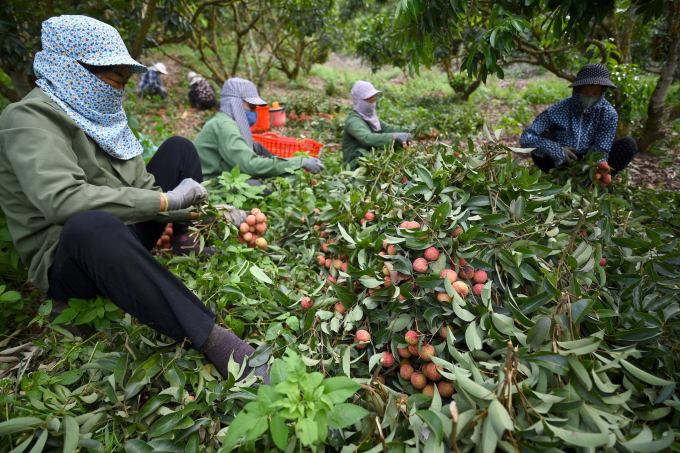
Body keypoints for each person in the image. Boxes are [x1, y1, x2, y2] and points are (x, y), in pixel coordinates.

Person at [0, 15, 268, 384]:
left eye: (124, 84)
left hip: (122, 232)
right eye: (115, 81)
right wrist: (164, 202)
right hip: (72, 258)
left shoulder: (103, 115)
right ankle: (218, 343)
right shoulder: (28, 119)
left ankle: (185, 245)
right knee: (91, 225)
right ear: (76, 70)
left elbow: (145, 189)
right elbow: (62, 201)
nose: (120, 93)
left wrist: (211, 213)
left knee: (179, 150)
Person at [193, 77, 324, 185]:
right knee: (256, 186)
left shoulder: (221, 121)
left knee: (256, 156)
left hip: (215, 177)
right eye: (251, 107)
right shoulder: (225, 126)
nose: (254, 112)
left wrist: (283, 165)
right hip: (208, 186)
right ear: (234, 103)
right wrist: (299, 162)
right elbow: (250, 166)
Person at [520, 63, 637, 182]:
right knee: (544, 136)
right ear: (577, 90)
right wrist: (555, 149)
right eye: (585, 92)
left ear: (602, 93)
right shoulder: (558, 110)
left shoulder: (608, 113)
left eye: (595, 93)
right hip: (560, 160)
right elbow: (526, 137)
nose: (590, 97)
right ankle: (557, 178)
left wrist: (594, 168)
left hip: (589, 162)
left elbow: (602, 148)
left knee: (628, 144)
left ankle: (590, 182)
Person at [342, 80, 410, 169]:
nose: (372, 104)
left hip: (372, 163)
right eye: (370, 102)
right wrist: (395, 136)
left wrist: (410, 130)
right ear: (359, 102)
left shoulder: (370, 118)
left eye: (374, 101)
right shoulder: (354, 121)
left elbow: (387, 128)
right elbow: (367, 138)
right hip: (356, 167)